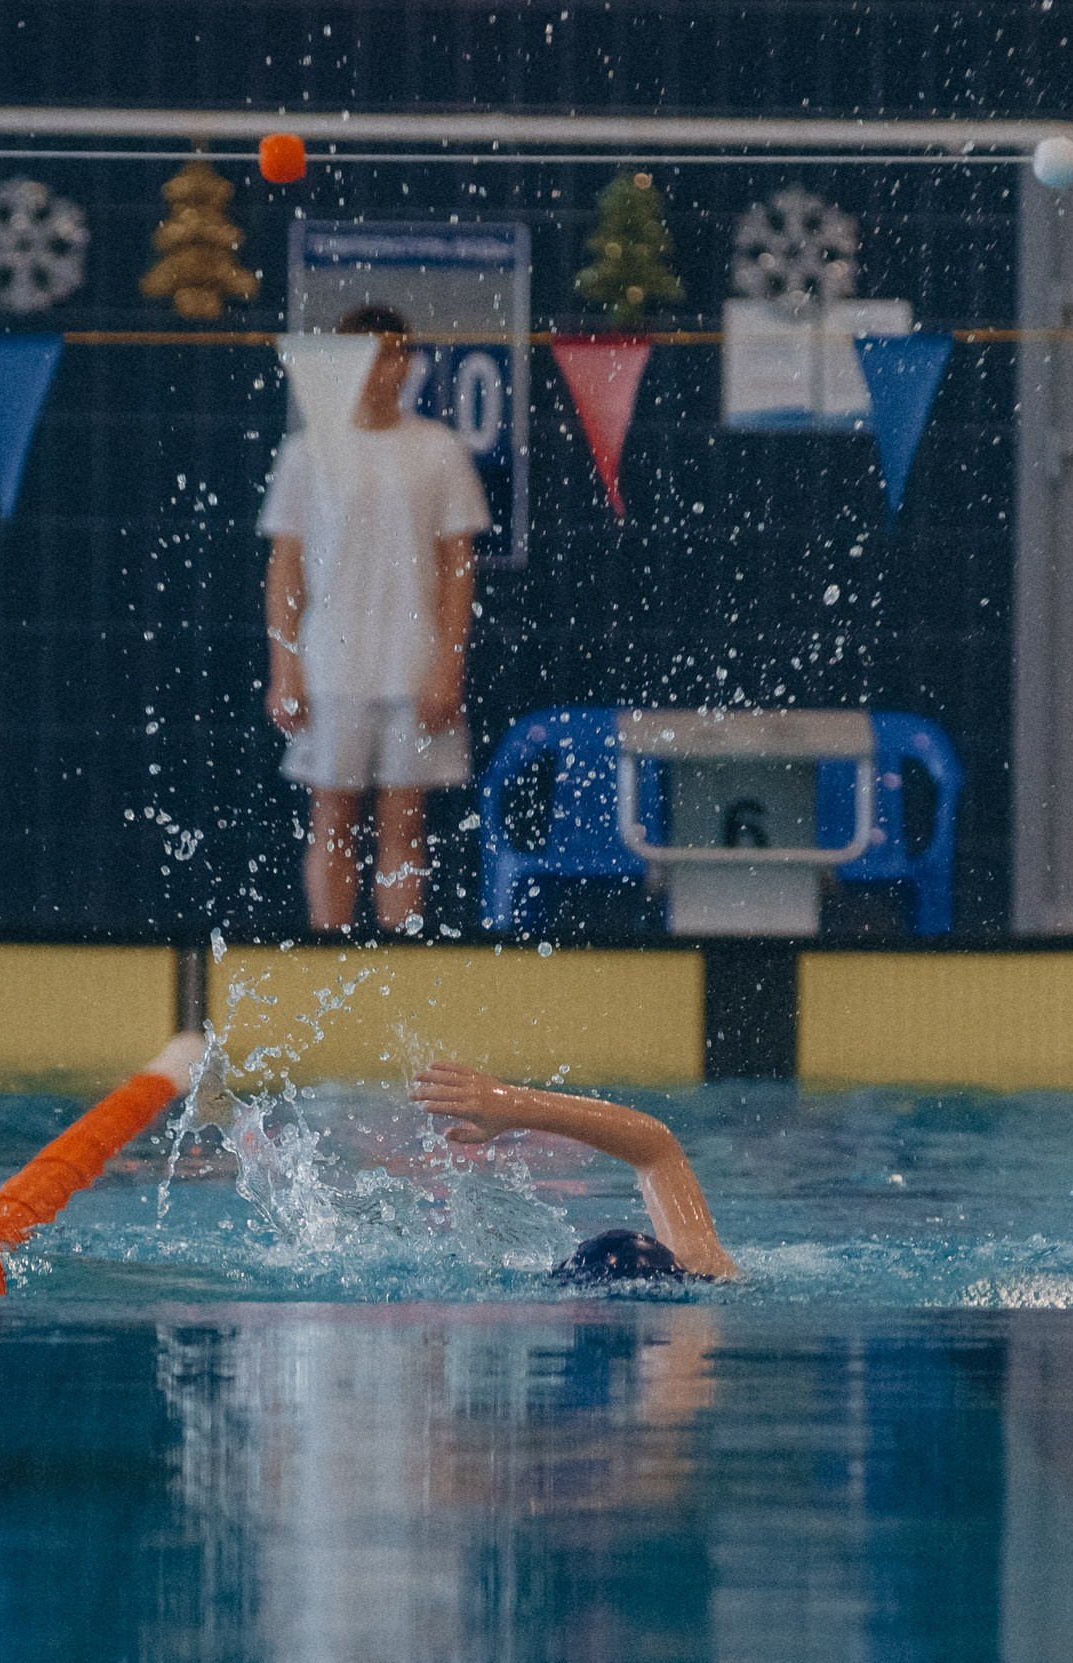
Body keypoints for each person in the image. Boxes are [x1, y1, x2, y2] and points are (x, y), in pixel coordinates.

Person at [260, 302, 489, 934]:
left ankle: (397, 962)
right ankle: (326, 956)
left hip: (412, 666)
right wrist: (286, 668)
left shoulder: (439, 451)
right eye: (366, 356)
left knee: (405, 823)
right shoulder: (308, 453)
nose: (381, 370)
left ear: (408, 363)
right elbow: (285, 569)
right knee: (331, 821)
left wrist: (447, 665)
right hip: (331, 665)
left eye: (392, 355)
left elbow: (457, 569)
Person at [409, 1060, 739, 1283]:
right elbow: (657, 1147)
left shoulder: (704, 1270)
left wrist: (511, 1103)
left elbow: (656, 1146)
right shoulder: (706, 1270)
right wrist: (510, 1104)